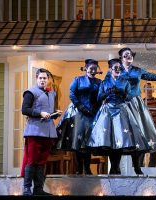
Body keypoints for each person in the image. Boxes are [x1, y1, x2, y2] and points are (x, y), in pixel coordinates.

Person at [118, 47, 156, 174]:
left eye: (131, 54)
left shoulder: (137, 70)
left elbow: (152, 76)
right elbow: (109, 83)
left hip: (135, 103)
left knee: (138, 134)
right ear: (121, 58)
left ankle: (137, 167)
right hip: (120, 104)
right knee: (119, 134)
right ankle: (116, 166)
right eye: (126, 55)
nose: (129, 56)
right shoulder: (116, 70)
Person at [87, 58, 147, 174]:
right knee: (110, 141)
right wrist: (107, 93)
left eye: (120, 68)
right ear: (110, 69)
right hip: (108, 112)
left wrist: (121, 93)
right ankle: (114, 168)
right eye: (115, 68)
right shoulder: (104, 83)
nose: (118, 70)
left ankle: (126, 167)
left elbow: (129, 96)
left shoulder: (125, 82)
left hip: (121, 110)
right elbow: (99, 98)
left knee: (122, 139)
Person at [56, 59, 102, 175]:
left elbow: (100, 97)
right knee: (78, 140)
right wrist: (80, 106)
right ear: (86, 68)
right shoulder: (78, 80)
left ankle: (87, 168)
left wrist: (96, 108)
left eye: (95, 69)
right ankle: (78, 168)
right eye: (91, 68)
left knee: (87, 142)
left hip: (92, 114)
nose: (93, 71)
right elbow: (72, 93)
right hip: (78, 113)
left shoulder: (99, 82)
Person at [21, 68, 62, 196]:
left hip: (48, 132)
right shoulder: (31, 93)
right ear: (37, 79)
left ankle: (38, 189)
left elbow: (48, 112)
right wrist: (39, 114)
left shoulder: (52, 93)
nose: (43, 80)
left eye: (45, 78)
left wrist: (55, 114)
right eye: (40, 78)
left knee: (41, 162)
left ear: (48, 79)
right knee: (32, 161)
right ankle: (27, 189)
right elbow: (25, 109)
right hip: (35, 132)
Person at [140, 83, 156, 167]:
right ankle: (139, 167)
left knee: (154, 150)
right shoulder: (142, 102)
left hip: (155, 128)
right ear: (144, 91)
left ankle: (151, 168)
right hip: (145, 129)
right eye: (147, 89)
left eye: (150, 88)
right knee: (142, 149)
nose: (149, 91)